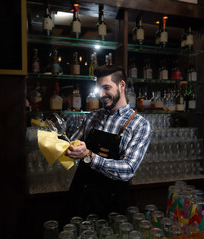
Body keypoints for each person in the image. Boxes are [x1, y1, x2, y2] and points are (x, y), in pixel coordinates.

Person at [65, 65, 152, 219]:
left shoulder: (139, 125)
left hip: (110, 206)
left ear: (122, 85)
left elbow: (128, 169)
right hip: (80, 197)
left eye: (106, 88)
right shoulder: (92, 117)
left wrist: (90, 156)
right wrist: (62, 143)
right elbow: (71, 146)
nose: (102, 94)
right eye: (99, 88)